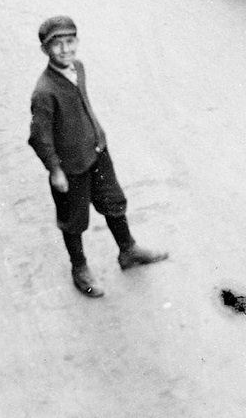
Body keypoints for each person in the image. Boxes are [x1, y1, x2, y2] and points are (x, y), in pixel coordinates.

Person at [28, 15, 168, 298]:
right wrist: (55, 170)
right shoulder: (44, 91)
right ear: (46, 50)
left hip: (97, 151)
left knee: (114, 201)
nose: (66, 50)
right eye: (57, 45)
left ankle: (127, 250)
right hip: (71, 166)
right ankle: (79, 268)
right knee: (73, 219)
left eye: (70, 42)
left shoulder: (78, 67)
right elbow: (39, 137)